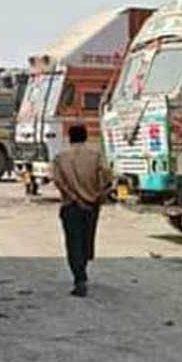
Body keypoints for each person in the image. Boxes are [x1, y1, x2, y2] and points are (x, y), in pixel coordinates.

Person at [51, 124, 112, 297]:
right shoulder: (96, 156)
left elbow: (58, 181)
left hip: (70, 206)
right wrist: (99, 195)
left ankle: (79, 278)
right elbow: (107, 177)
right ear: (86, 137)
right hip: (92, 205)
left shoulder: (61, 158)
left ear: (70, 137)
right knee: (86, 240)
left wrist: (74, 197)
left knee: (73, 243)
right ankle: (82, 270)